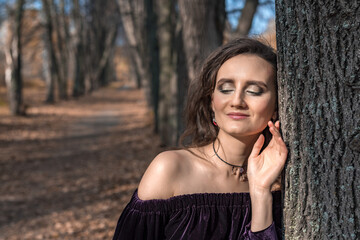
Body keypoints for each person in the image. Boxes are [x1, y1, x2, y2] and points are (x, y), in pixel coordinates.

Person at [112, 37, 287, 239]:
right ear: (212, 100)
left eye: (254, 91)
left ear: (276, 107)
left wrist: (260, 193)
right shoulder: (170, 169)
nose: (237, 101)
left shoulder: (283, 182)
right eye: (226, 88)